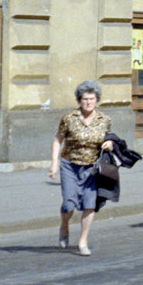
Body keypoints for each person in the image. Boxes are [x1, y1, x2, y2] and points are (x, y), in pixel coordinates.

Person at [49, 80, 114, 256]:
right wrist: (54, 163)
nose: (88, 102)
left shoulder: (104, 120)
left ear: (97, 100)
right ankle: (64, 225)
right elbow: (58, 140)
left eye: (92, 99)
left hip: (92, 168)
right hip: (70, 165)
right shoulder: (69, 118)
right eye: (85, 99)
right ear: (79, 100)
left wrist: (109, 144)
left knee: (89, 204)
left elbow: (109, 139)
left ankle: (82, 242)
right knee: (69, 204)